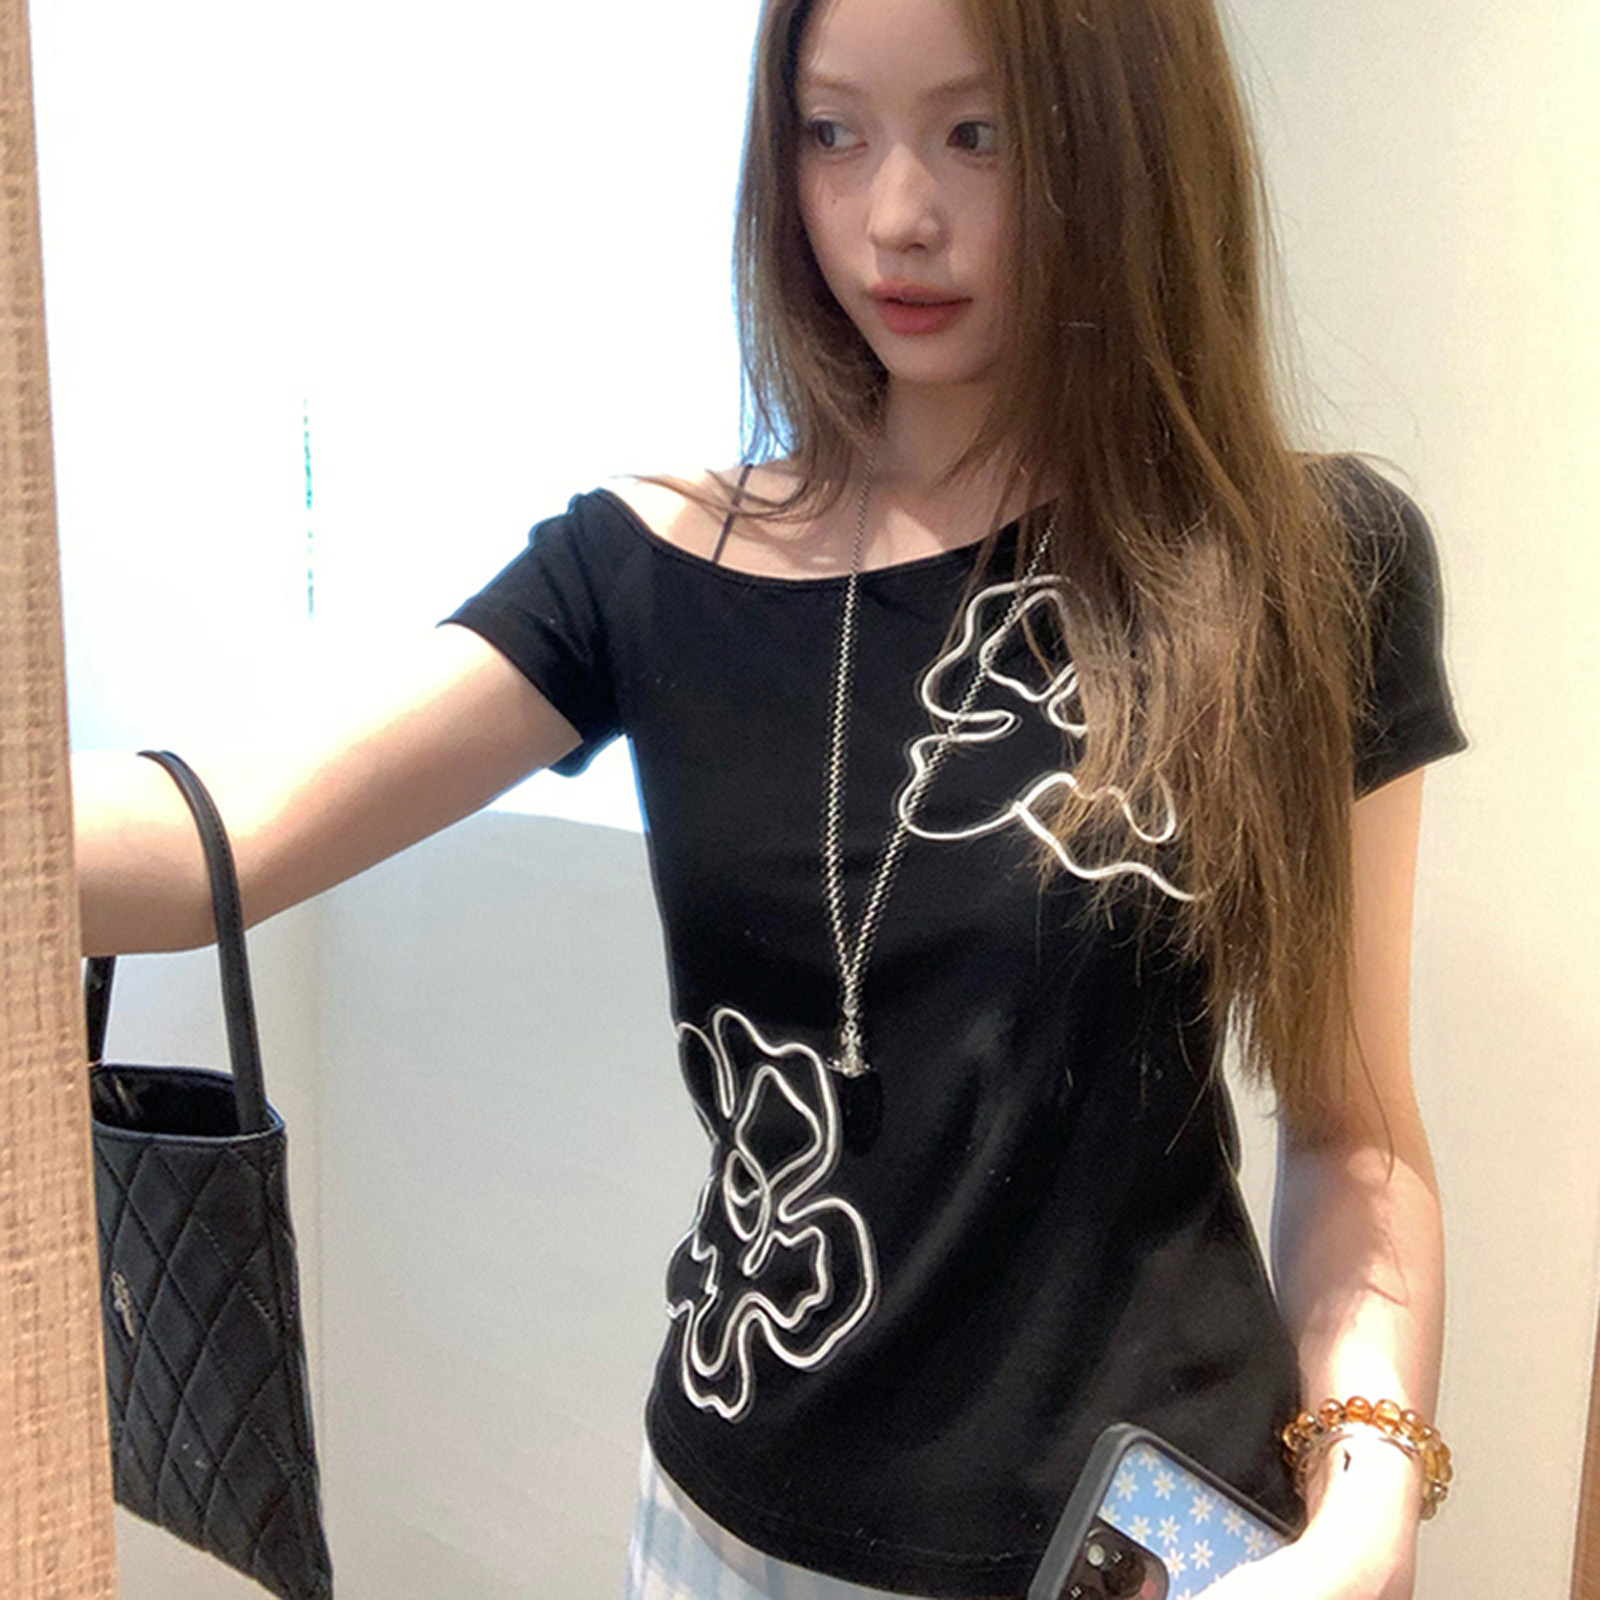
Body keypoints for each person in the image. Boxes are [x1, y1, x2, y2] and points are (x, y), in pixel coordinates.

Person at [73, 0, 1468, 1596]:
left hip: (1143, 1549)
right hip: (725, 1538)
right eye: (832, 131)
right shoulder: (652, 566)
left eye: (979, 133)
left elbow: (1355, 1132)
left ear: (1129, 138)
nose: (896, 214)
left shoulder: (1309, 570)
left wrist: (1368, 1510)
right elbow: (215, 838)